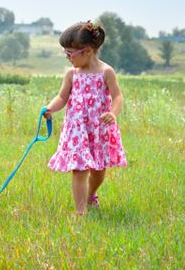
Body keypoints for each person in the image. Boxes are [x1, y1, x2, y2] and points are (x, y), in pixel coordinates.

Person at [44, 20, 127, 217]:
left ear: (87, 51)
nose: (67, 57)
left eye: (70, 53)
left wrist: (112, 114)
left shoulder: (106, 72)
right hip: (77, 130)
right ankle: (80, 212)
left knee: (98, 170)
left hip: (99, 129)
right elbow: (62, 97)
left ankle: (91, 195)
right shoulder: (72, 74)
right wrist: (50, 108)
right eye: (66, 52)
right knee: (79, 170)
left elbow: (117, 96)